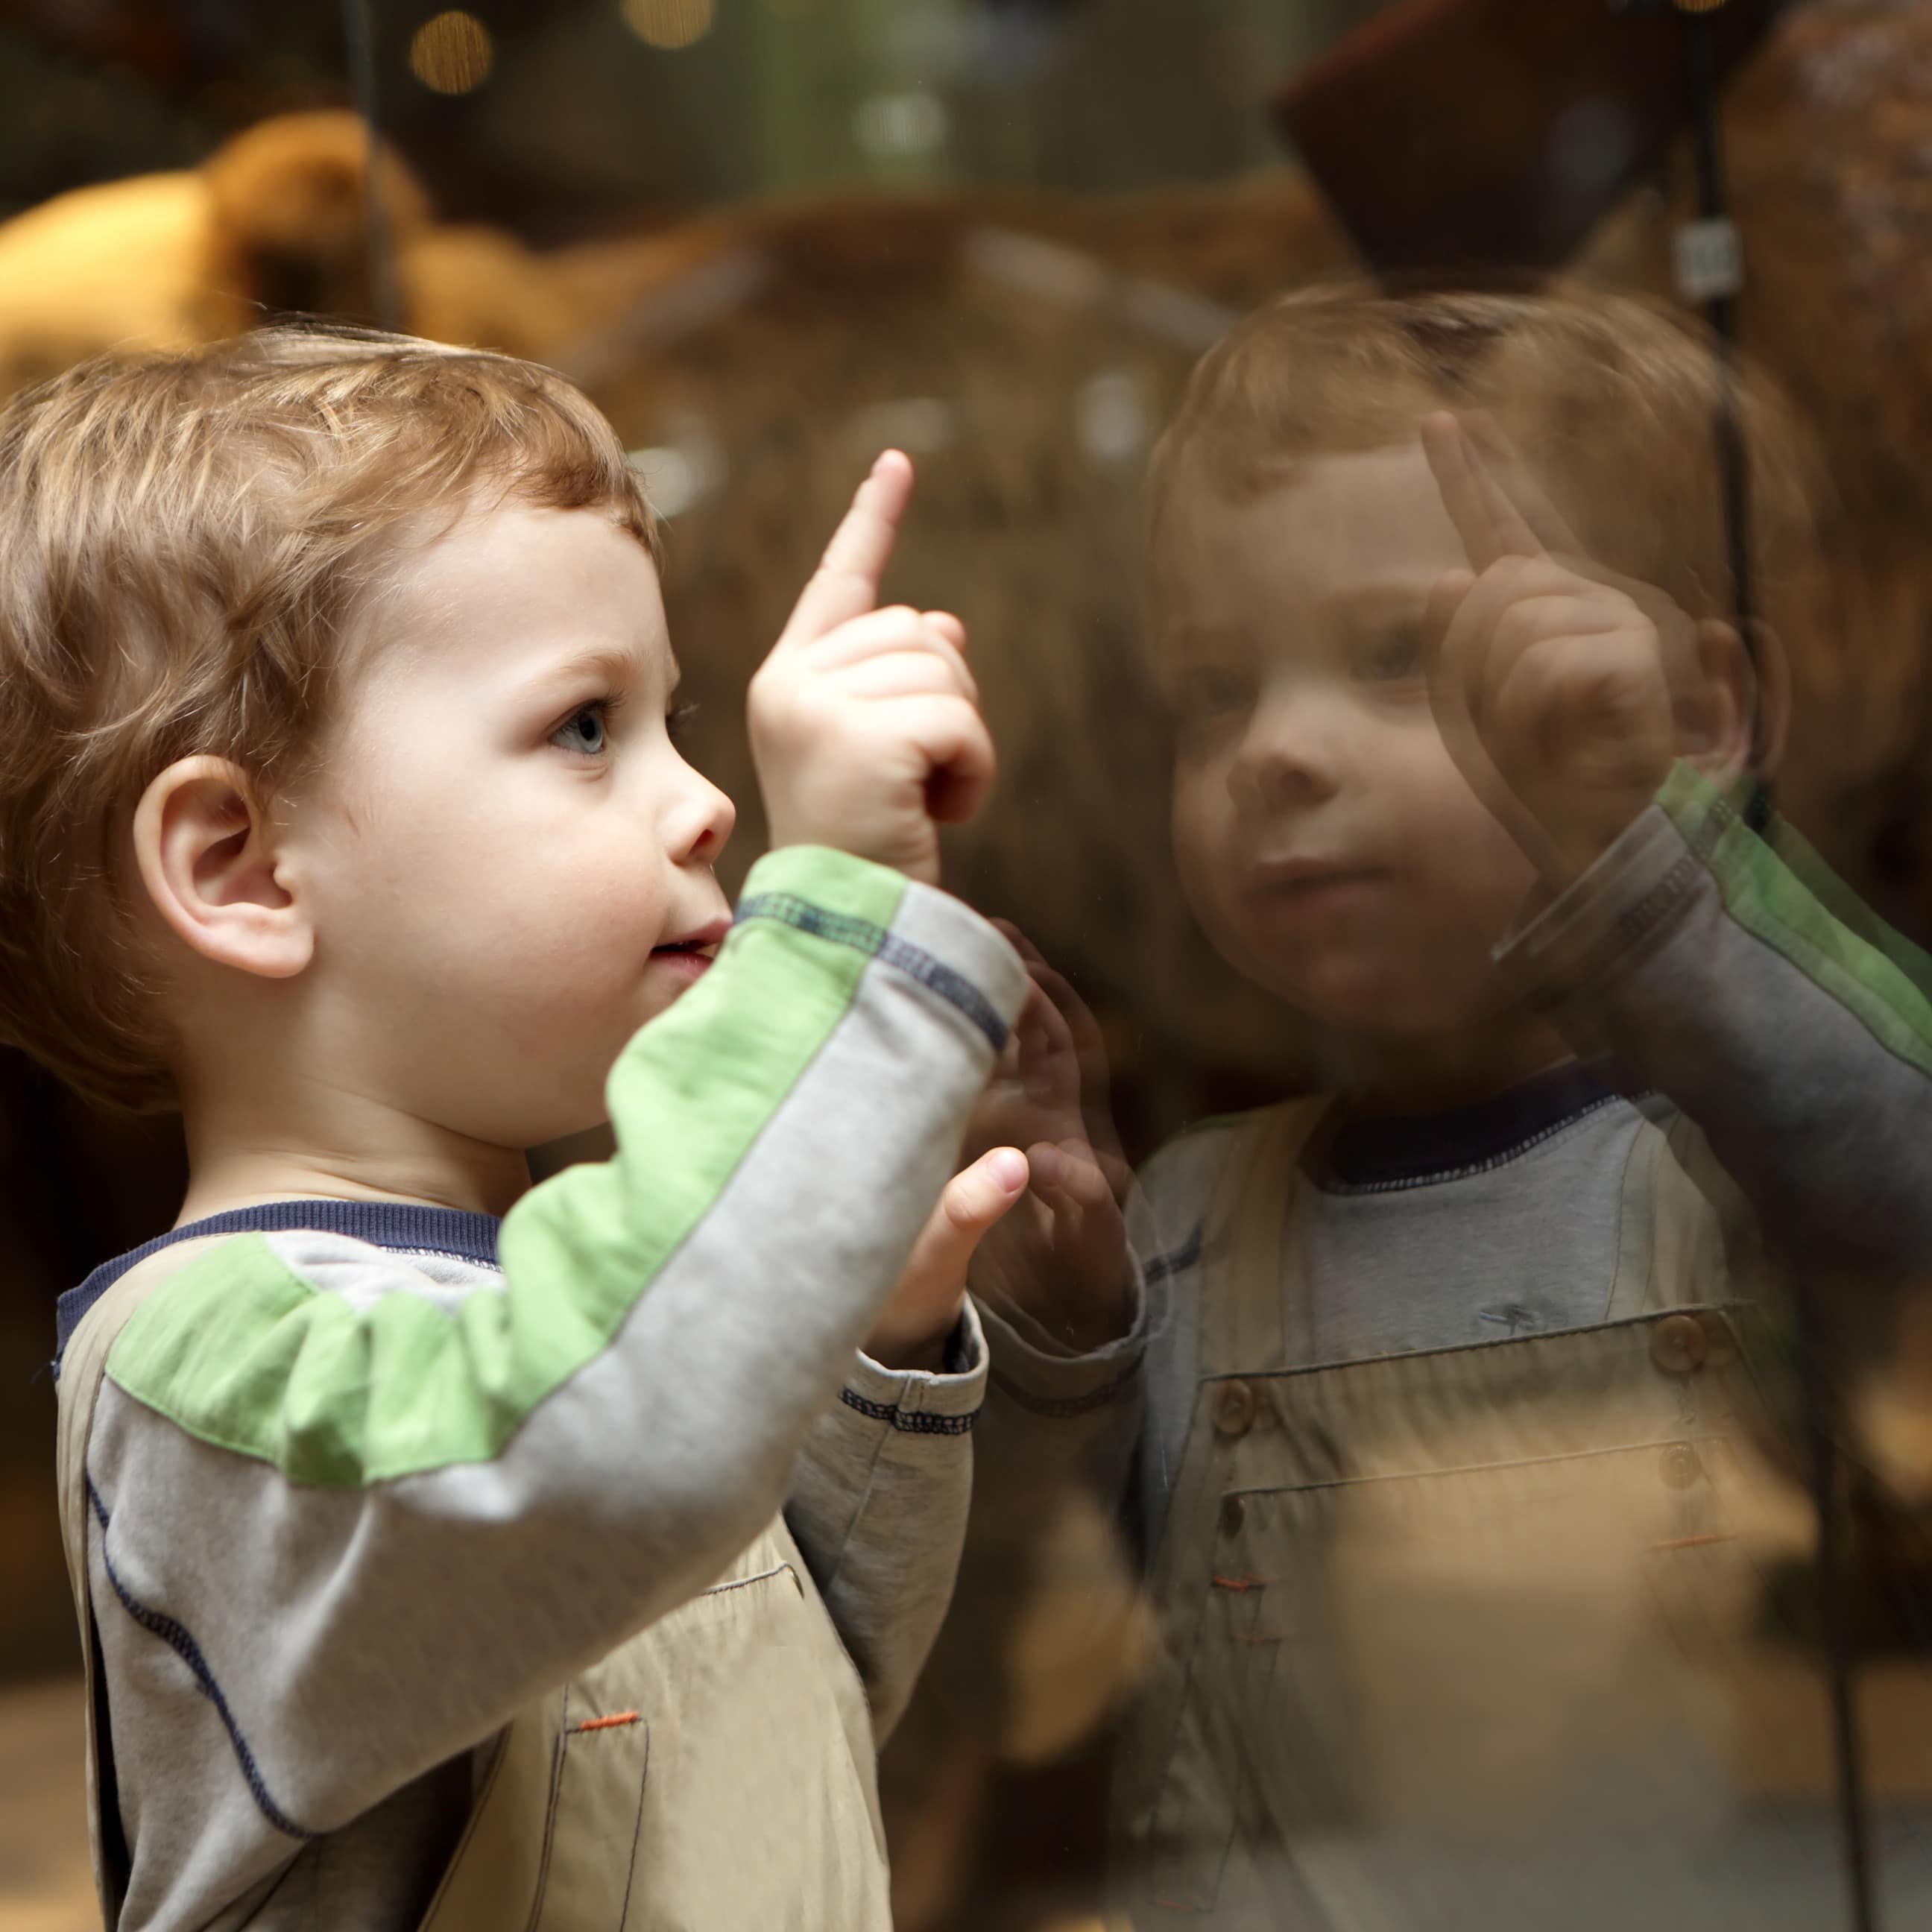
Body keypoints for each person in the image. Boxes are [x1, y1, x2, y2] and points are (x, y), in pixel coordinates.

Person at [1, 324, 1040, 1931]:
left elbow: (799, 1712)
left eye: (673, 720)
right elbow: (605, 1459)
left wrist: (864, 1360)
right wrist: (840, 930)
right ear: (243, 867)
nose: (704, 803)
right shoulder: (214, 1377)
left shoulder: (583, 1318)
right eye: (583, 729)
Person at [962, 285, 1932, 1929]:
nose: (1276, 751)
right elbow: (1041, 1633)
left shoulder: (1744, 1170)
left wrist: (1641, 854)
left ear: (1695, 713)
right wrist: (1054, 1315)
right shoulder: (1192, 1222)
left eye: (1402, 656)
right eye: (1214, 691)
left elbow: (1901, 1192)